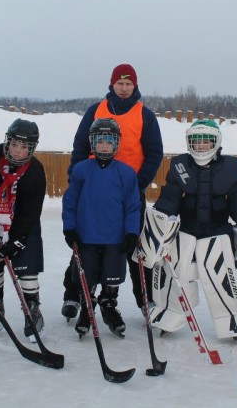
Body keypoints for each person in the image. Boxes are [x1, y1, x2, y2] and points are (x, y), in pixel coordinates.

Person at [143, 119, 237, 340]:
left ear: (216, 143)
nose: (200, 147)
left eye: (205, 142)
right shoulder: (179, 165)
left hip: (218, 231)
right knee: (177, 273)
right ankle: (170, 313)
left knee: (219, 277)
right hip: (186, 230)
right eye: (196, 142)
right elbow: (169, 199)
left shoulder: (231, 168)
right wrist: (161, 226)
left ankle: (232, 320)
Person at [61, 63, 163, 320]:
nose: (124, 88)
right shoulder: (96, 110)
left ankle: (145, 299)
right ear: (112, 84)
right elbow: (80, 146)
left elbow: (154, 153)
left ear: (135, 86)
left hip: (129, 187)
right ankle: (74, 294)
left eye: (129, 84)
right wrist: (77, 177)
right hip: (94, 186)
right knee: (84, 243)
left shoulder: (145, 115)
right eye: (120, 83)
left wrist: (138, 183)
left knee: (132, 246)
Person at [62, 118, 141, 337]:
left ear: (116, 144)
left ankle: (108, 304)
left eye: (109, 141)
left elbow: (133, 206)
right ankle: (88, 307)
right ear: (92, 143)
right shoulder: (81, 170)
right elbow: (70, 202)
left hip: (115, 238)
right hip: (87, 235)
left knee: (112, 274)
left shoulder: (126, 173)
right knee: (87, 275)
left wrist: (131, 232)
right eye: (100, 141)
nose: (104, 145)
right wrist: (69, 228)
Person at [0, 118, 47, 341]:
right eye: (14, 144)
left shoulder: (36, 170)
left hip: (23, 223)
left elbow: (31, 211)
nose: (17, 150)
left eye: (23, 146)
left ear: (32, 148)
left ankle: (32, 310)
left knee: (26, 268)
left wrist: (16, 240)